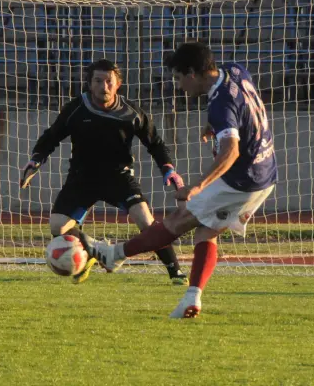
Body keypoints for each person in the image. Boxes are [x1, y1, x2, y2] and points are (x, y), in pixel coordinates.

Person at [89, 42, 277, 319]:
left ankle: (114, 254)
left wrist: (197, 186)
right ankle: (192, 298)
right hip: (265, 169)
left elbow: (231, 150)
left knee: (178, 220)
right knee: (205, 232)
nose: (178, 86)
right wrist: (217, 126)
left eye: (178, 78)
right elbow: (244, 107)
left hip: (242, 179)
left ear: (192, 73)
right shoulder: (235, 70)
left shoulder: (220, 104)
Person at [20, 59, 187, 285]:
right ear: (89, 84)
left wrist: (168, 169)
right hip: (82, 177)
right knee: (57, 226)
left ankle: (175, 272)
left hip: (118, 176)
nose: (104, 86)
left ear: (118, 84)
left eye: (109, 81)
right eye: (98, 81)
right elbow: (52, 136)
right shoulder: (76, 108)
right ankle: (93, 250)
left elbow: (155, 143)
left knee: (145, 220)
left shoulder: (131, 112)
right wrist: (35, 161)